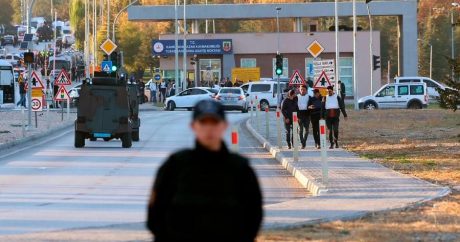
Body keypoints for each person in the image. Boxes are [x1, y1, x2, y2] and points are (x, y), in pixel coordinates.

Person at [147, 100, 263, 242]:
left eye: (214, 123)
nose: (209, 129)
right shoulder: (175, 166)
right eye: (203, 123)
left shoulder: (240, 169)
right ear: (193, 126)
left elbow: (253, 216)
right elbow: (155, 216)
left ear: (224, 126)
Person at [297, 85, 311, 149]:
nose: (302, 91)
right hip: (299, 114)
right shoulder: (297, 97)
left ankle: (304, 141)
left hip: (307, 114)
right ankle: (302, 142)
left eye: (304, 90)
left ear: (306, 90)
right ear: (299, 90)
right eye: (301, 89)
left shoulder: (309, 97)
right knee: (300, 130)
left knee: (307, 130)